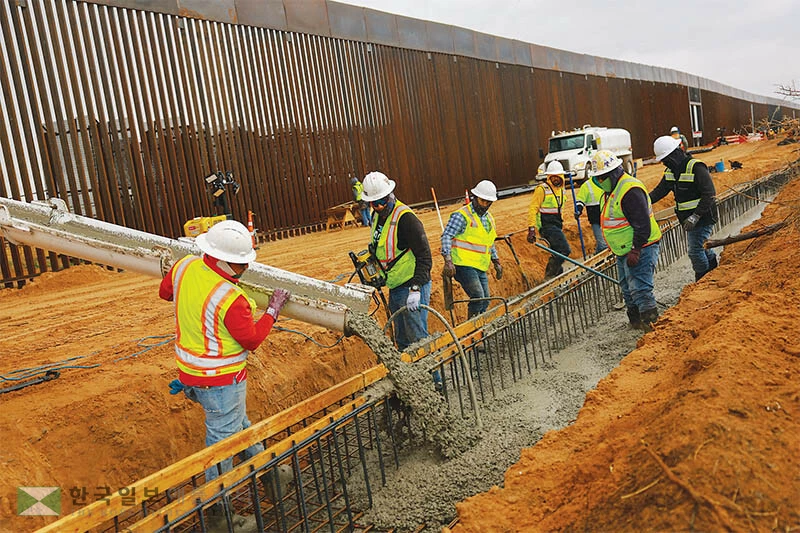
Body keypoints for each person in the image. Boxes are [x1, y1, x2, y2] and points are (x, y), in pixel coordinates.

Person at [159, 220, 291, 483]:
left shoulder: (183, 266)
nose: (245, 269)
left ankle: (270, 474)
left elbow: (166, 293)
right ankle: (220, 510)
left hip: (190, 374)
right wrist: (272, 311)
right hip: (221, 382)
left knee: (238, 427)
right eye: (240, 264)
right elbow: (251, 340)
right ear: (219, 258)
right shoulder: (231, 298)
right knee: (222, 445)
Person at [590, 150, 662, 330]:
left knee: (640, 288)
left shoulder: (630, 190)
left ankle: (651, 327)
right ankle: (635, 322)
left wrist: (636, 249)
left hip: (641, 247)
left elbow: (642, 224)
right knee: (627, 289)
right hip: (623, 250)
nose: (599, 182)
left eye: (602, 178)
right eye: (597, 179)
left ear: (614, 173)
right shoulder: (611, 189)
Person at [361, 171, 432, 350]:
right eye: (373, 203)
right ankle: (408, 375)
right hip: (395, 286)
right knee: (402, 340)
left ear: (390, 194)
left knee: (418, 339)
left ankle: (433, 378)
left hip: (412, 286)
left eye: (381, 201)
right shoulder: (377, 217)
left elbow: (425, 257)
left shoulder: (407, 219)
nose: (377, 206)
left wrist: (416, 289)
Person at [650, 135, 718, 281]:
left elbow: (709, 194)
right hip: (688, 219)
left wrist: (696, 216)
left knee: (695, 251)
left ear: (675, 153)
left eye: (665, 159)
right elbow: (659, 191)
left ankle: (703, 280)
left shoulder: (696, 167)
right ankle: (714, 268)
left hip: (703, 216)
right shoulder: (670, 171)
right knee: (702, 246)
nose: (664, 163)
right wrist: (643, 201)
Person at [441, 180, 503, 318]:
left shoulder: (489, 219)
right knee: (478, 296)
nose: (485, 205)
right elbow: (446, 236)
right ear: (475, 197)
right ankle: (472, 328)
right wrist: (448, 260)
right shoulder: (462, 215)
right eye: (482, 201)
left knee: (485, 300)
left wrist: (496, 261)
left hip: (480, 266)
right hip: (463, 265)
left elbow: (489, 242)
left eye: (488, 202)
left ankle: (480, 327)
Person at [527, 161, 571, 278]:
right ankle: (550, 275)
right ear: (549, 176)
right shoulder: (542, 189)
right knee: (564, 250)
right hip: (546, 226)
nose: (555, 179)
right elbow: (533, 208)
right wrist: (531, 228)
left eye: (558, 176)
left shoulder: (562, 190)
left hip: (557, 225)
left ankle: (558, 274)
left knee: (556, 252)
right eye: (553, 176)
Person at [574, 177, 608, 254]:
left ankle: (597, 259)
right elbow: (580, 200)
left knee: (605, 243)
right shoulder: (586, 186)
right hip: (595, 219)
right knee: (603, 245)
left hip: (607, 217)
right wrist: (578, 210)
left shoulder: (608, 182)